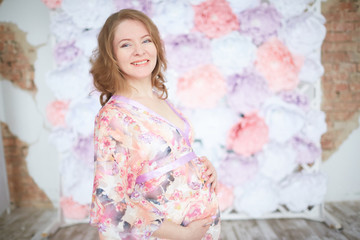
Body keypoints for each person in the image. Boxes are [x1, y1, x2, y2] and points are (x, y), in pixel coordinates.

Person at [89, 9, 220, 240]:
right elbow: (110, 204)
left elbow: (167, 161)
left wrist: (201, 168)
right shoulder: (113, 116)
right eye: (126, 45)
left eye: (146, 40)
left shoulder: (162, 101)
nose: (139, 51)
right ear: (112, 56)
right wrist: (184, 234)